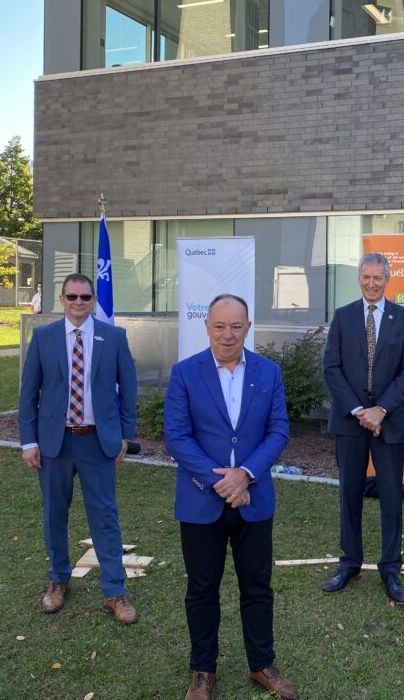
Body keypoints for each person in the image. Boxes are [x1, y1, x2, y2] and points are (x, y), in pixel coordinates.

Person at [164, 294, 298, 700]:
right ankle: (202, 672)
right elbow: (177, 437)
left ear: (248, 327)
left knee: (257, 586)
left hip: (254, 501)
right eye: (219, 326)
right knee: (202, 589)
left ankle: (262, 664)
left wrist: (246, 475)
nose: (227, 334)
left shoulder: (268, 372)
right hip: (202, 501)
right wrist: (221, 481)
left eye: (236, 326)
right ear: (206, 327)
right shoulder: (185, 373)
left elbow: (278, 431)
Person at [18, 272, 139, 623]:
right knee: (54, 513)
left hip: (97, 443)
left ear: (93, 301)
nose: (78, 303)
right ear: (61, 299)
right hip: (54, 443)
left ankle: (115, 590)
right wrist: (29, 441)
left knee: (105, 517)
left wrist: (125, 436)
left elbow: (128, 390)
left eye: (85, 297)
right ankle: (58, 579)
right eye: (71, 297)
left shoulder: (113, 337)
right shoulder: (44, 337)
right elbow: (29, 394)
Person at [322, 252, 404, 604]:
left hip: (389, 423)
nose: (372, 283)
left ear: (388, 279)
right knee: (350, 492)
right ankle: (348, 563)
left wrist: (380, 410)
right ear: (359, 278)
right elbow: (331, 368)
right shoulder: (343, 316)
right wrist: (359, 410)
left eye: (379, 277)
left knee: (391, 496)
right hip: (350, 422)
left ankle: (390, 568)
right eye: (367, 277)